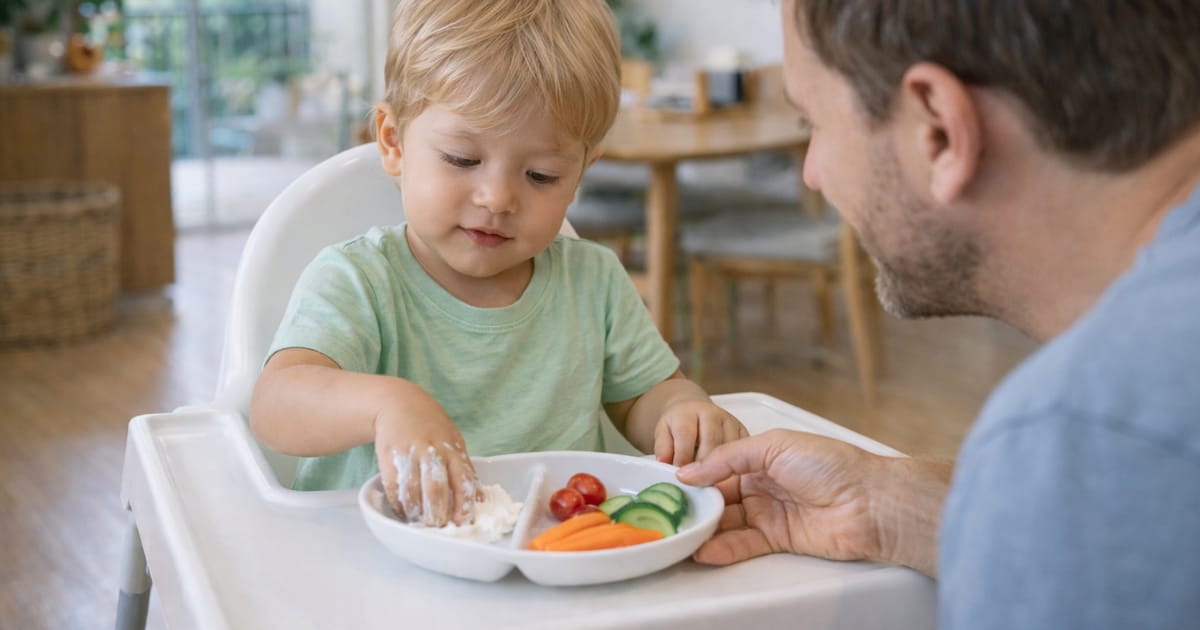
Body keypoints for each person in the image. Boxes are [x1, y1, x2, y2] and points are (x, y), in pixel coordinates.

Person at [676, 1, 1200, 628]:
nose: (813, 174)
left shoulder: (1092, 432)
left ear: (939, 131)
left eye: (813, 121)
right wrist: (891, 504)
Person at [250, 0, 746, 528]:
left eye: (541, 176)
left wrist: (681, 411)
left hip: (554, 552)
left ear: (580, 173)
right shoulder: (359, 280)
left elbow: (644, 397)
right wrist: (386, 405)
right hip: (379, 555)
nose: (497, 198)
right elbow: (276, 405)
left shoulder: (593, 281)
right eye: (463, 160)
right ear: (392, 142)